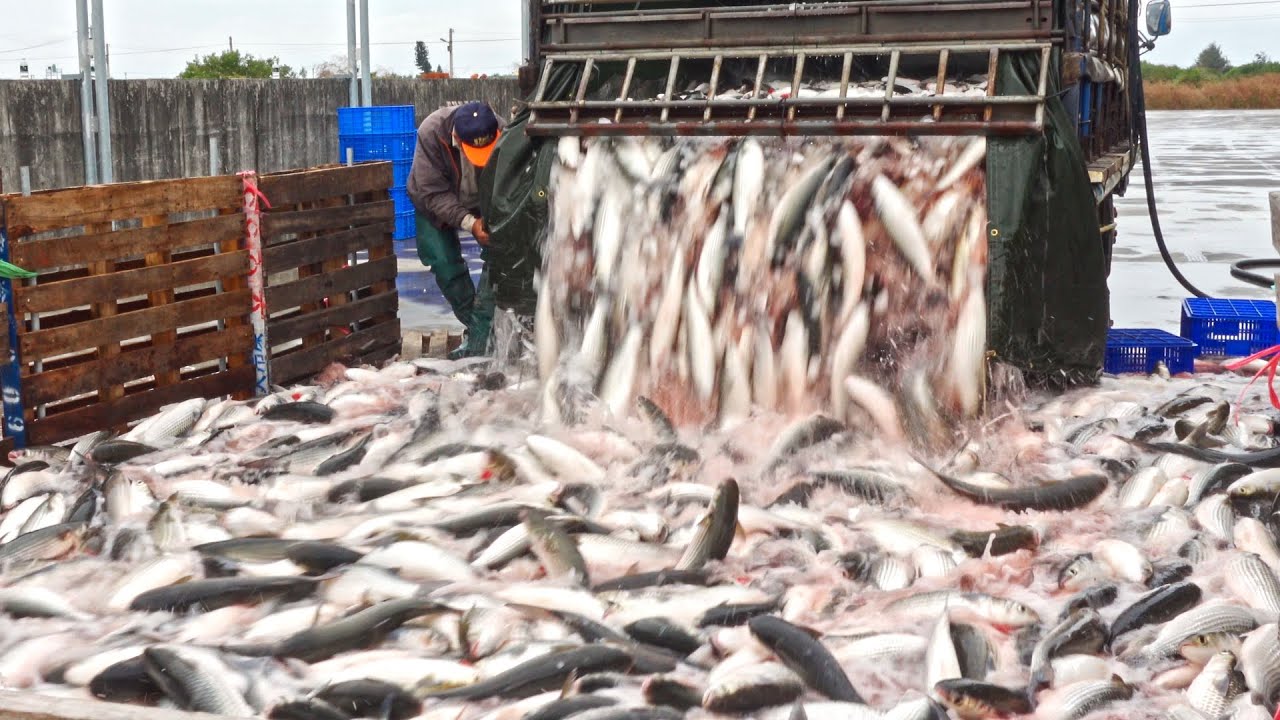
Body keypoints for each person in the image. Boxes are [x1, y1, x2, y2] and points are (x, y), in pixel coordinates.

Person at [407, 101, 504, 359]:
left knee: (499, 262)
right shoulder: (431, 132)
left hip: (482, 203)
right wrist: (470, 223)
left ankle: (482, 334)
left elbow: (507, 184)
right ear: (457, 139)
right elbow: (433, 193)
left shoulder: (503, 130)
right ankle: (478, 330)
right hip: (435, 201)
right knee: (443, 262)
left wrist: (488, 222)